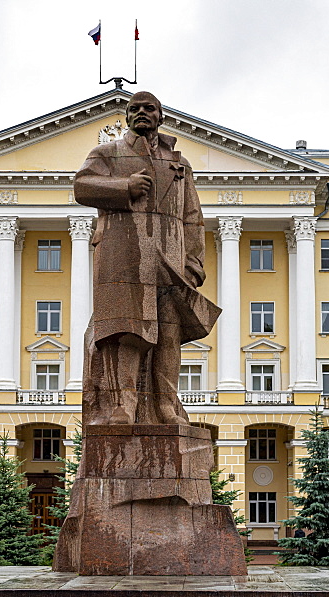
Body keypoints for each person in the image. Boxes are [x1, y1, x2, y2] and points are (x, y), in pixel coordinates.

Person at [74, 92, 219, 425]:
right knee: (126, 331)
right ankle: (122, 406)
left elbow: (192, 216)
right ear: (126, 117)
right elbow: (82, 186)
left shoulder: (179, 164)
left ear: (160, 116)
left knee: (168, 334)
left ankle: (167, 405)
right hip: (123, 258)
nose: (141, 112)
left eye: (148, 108)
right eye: (134, 109)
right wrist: (125, 186)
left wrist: (193, 264)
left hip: (168, 260)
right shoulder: (107, 153)